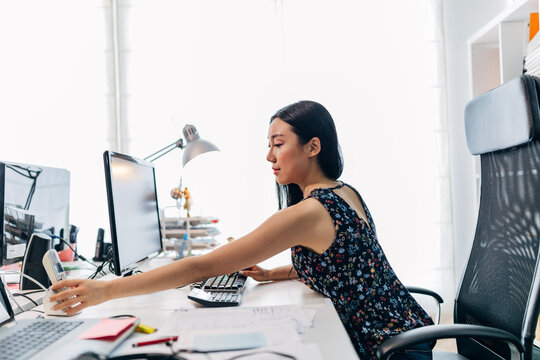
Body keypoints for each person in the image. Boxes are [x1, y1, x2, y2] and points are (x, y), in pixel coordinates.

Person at [51, 100, 434, 360]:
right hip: (403, 332)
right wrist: (271, 273)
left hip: (389, 349)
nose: (269, 156)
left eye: (278, 144)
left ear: (313, 146)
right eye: (268, 144)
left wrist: (107, 289)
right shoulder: (344, 191)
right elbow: (344, 264)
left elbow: (199, 269)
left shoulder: (308, 212)